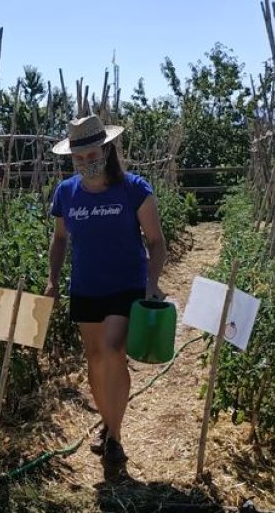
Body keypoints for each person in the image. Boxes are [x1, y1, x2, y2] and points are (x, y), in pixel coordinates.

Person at [44, 114, 166, 465]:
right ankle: (107, 421)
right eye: (78, 157)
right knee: (95, 360)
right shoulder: (66, 193)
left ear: (106, 150)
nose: (85, 162)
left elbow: (157, 242)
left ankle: (115, 436)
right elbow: (59, 240)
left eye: (91, 154)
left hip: (126, 286)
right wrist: (53, 279)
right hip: (85, 288)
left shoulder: (134, 189)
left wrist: (152, 282)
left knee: (113, 351)